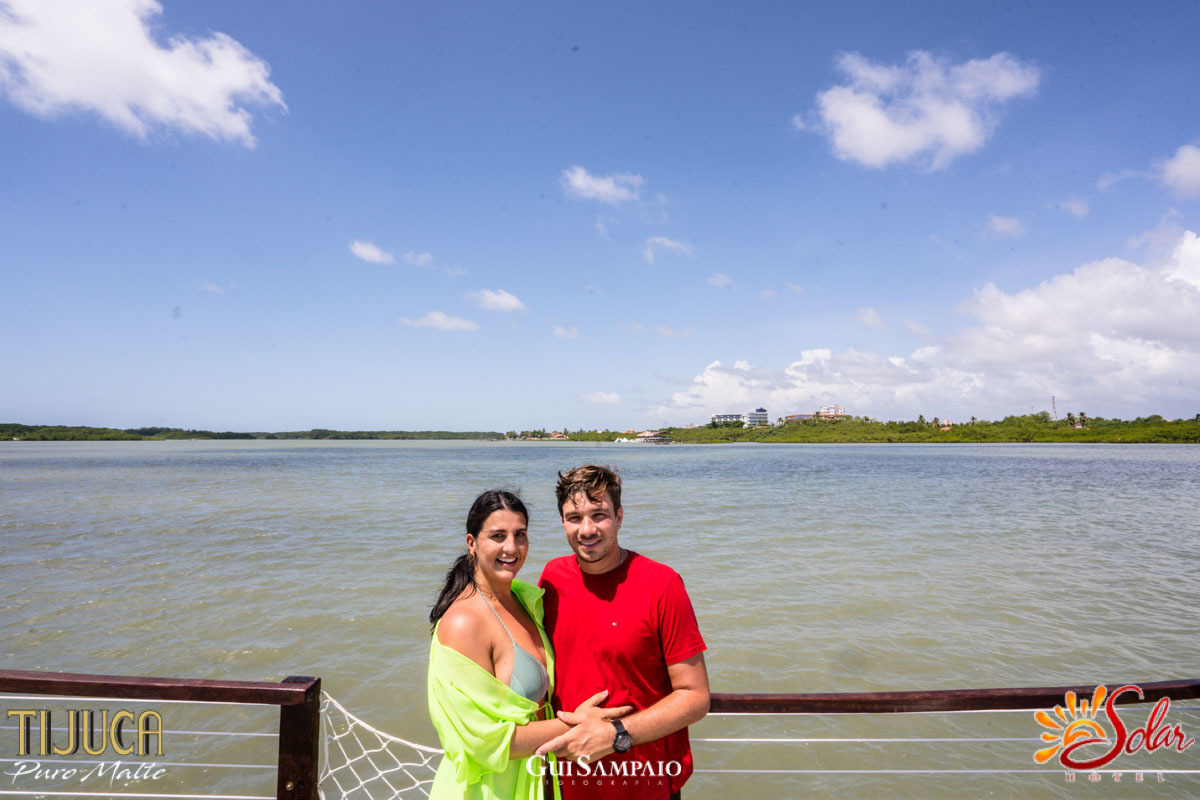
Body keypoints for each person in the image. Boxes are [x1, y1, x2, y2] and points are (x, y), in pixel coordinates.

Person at [427, 489, 631, 800]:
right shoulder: (464, 622)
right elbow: (485, 742)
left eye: (520, 535)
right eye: (498, 536)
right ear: (472, 543)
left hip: (536, 781)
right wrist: (583, 725)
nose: (511, 547)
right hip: (486, 789)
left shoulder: (525, 599)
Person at [536, 466, 709, 799]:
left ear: (619, 516)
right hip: (567, 783)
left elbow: (695, 697)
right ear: (562, 522)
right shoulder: (551, 578)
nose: (586, 529)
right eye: (574, 518)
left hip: (646, 781)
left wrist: (614, 733)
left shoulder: (662, 584)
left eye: (598, 515)